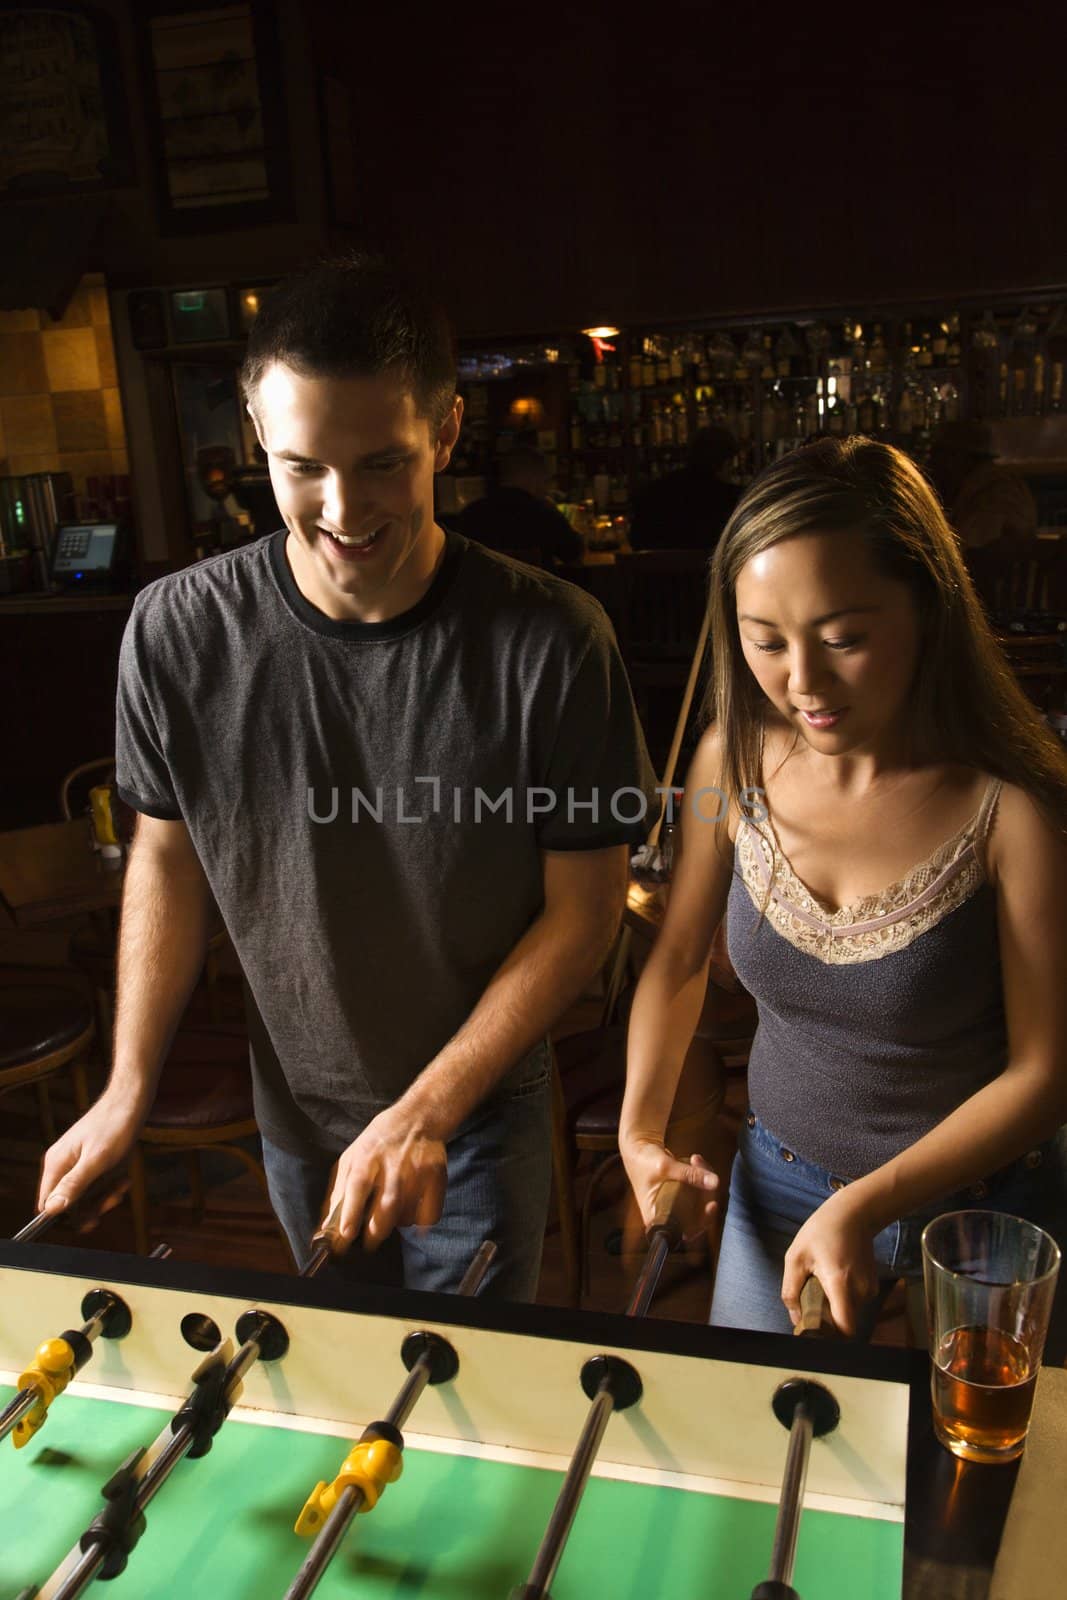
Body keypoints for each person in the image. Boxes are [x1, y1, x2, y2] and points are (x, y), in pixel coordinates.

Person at [38, 253, 657, 1301]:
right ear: (254, 438)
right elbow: (166, 859)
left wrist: (424, 1110)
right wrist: (127, 1084)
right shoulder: (178, 631)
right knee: (338, 1375)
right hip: (297, 1103)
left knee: (466, 1395)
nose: (342, 508)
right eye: (301, 467)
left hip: (475, 1107)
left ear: (447, 433)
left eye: (383, 464)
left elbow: (584, 912)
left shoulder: (553, 639)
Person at [620, 435, 1067, 1350]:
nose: (801, 684)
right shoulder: (729, 758)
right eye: (765, 642)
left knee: (980, 1470)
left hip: (983, 1208)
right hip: (779, 1181)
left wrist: (867, 1203)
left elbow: (1042, 1075)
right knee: (757, 1447)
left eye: (843, 640)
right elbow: (673, 966)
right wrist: (639, 1128)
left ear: (929, 612)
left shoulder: (1010, 812)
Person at [456, 446, 583, 568]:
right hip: (536, 590)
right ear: (534, 477)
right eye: (546, 480)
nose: (547, 488)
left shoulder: (470, 514)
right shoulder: (543, 513)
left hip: (483, 590)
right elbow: (573, 554)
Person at [927, 419, 1038, 557]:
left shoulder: (992, 493)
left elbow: (963, 552)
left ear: (957, 457)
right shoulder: (995, 483)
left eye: (937, 456)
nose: (932, 466)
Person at [629, 426, 741, 552]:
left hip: (657, 570)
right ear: (726, 463)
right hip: (707, 571)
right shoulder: (731, 499)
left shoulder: (655, 490)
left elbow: (636, 540)